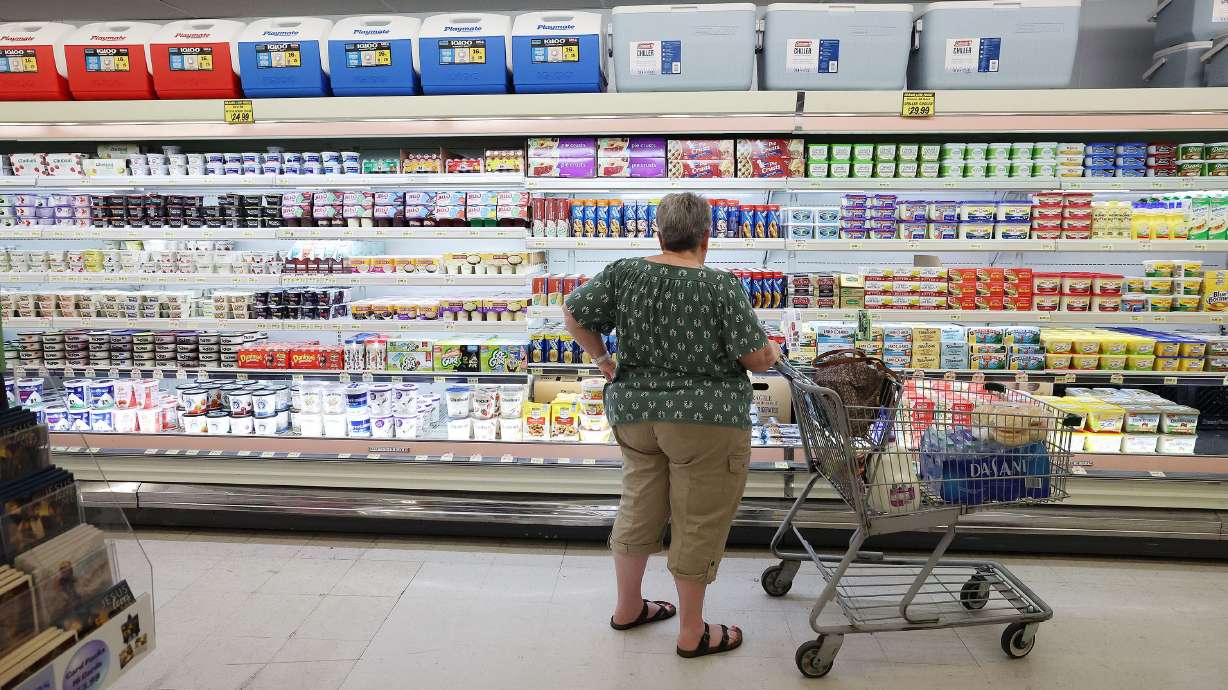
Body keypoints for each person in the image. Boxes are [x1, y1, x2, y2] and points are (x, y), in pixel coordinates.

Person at [562, 192, 780, 659]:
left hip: (636, 416)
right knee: (697, 518)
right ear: (706, 237)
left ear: (657, 232)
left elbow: (574, 312)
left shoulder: (625, 272)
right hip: (705, 421)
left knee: (639, 504)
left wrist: (604, 360)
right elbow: (756, 358)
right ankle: (692, 631)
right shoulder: (720, 286)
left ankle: (628, 608)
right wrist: (773, 352)